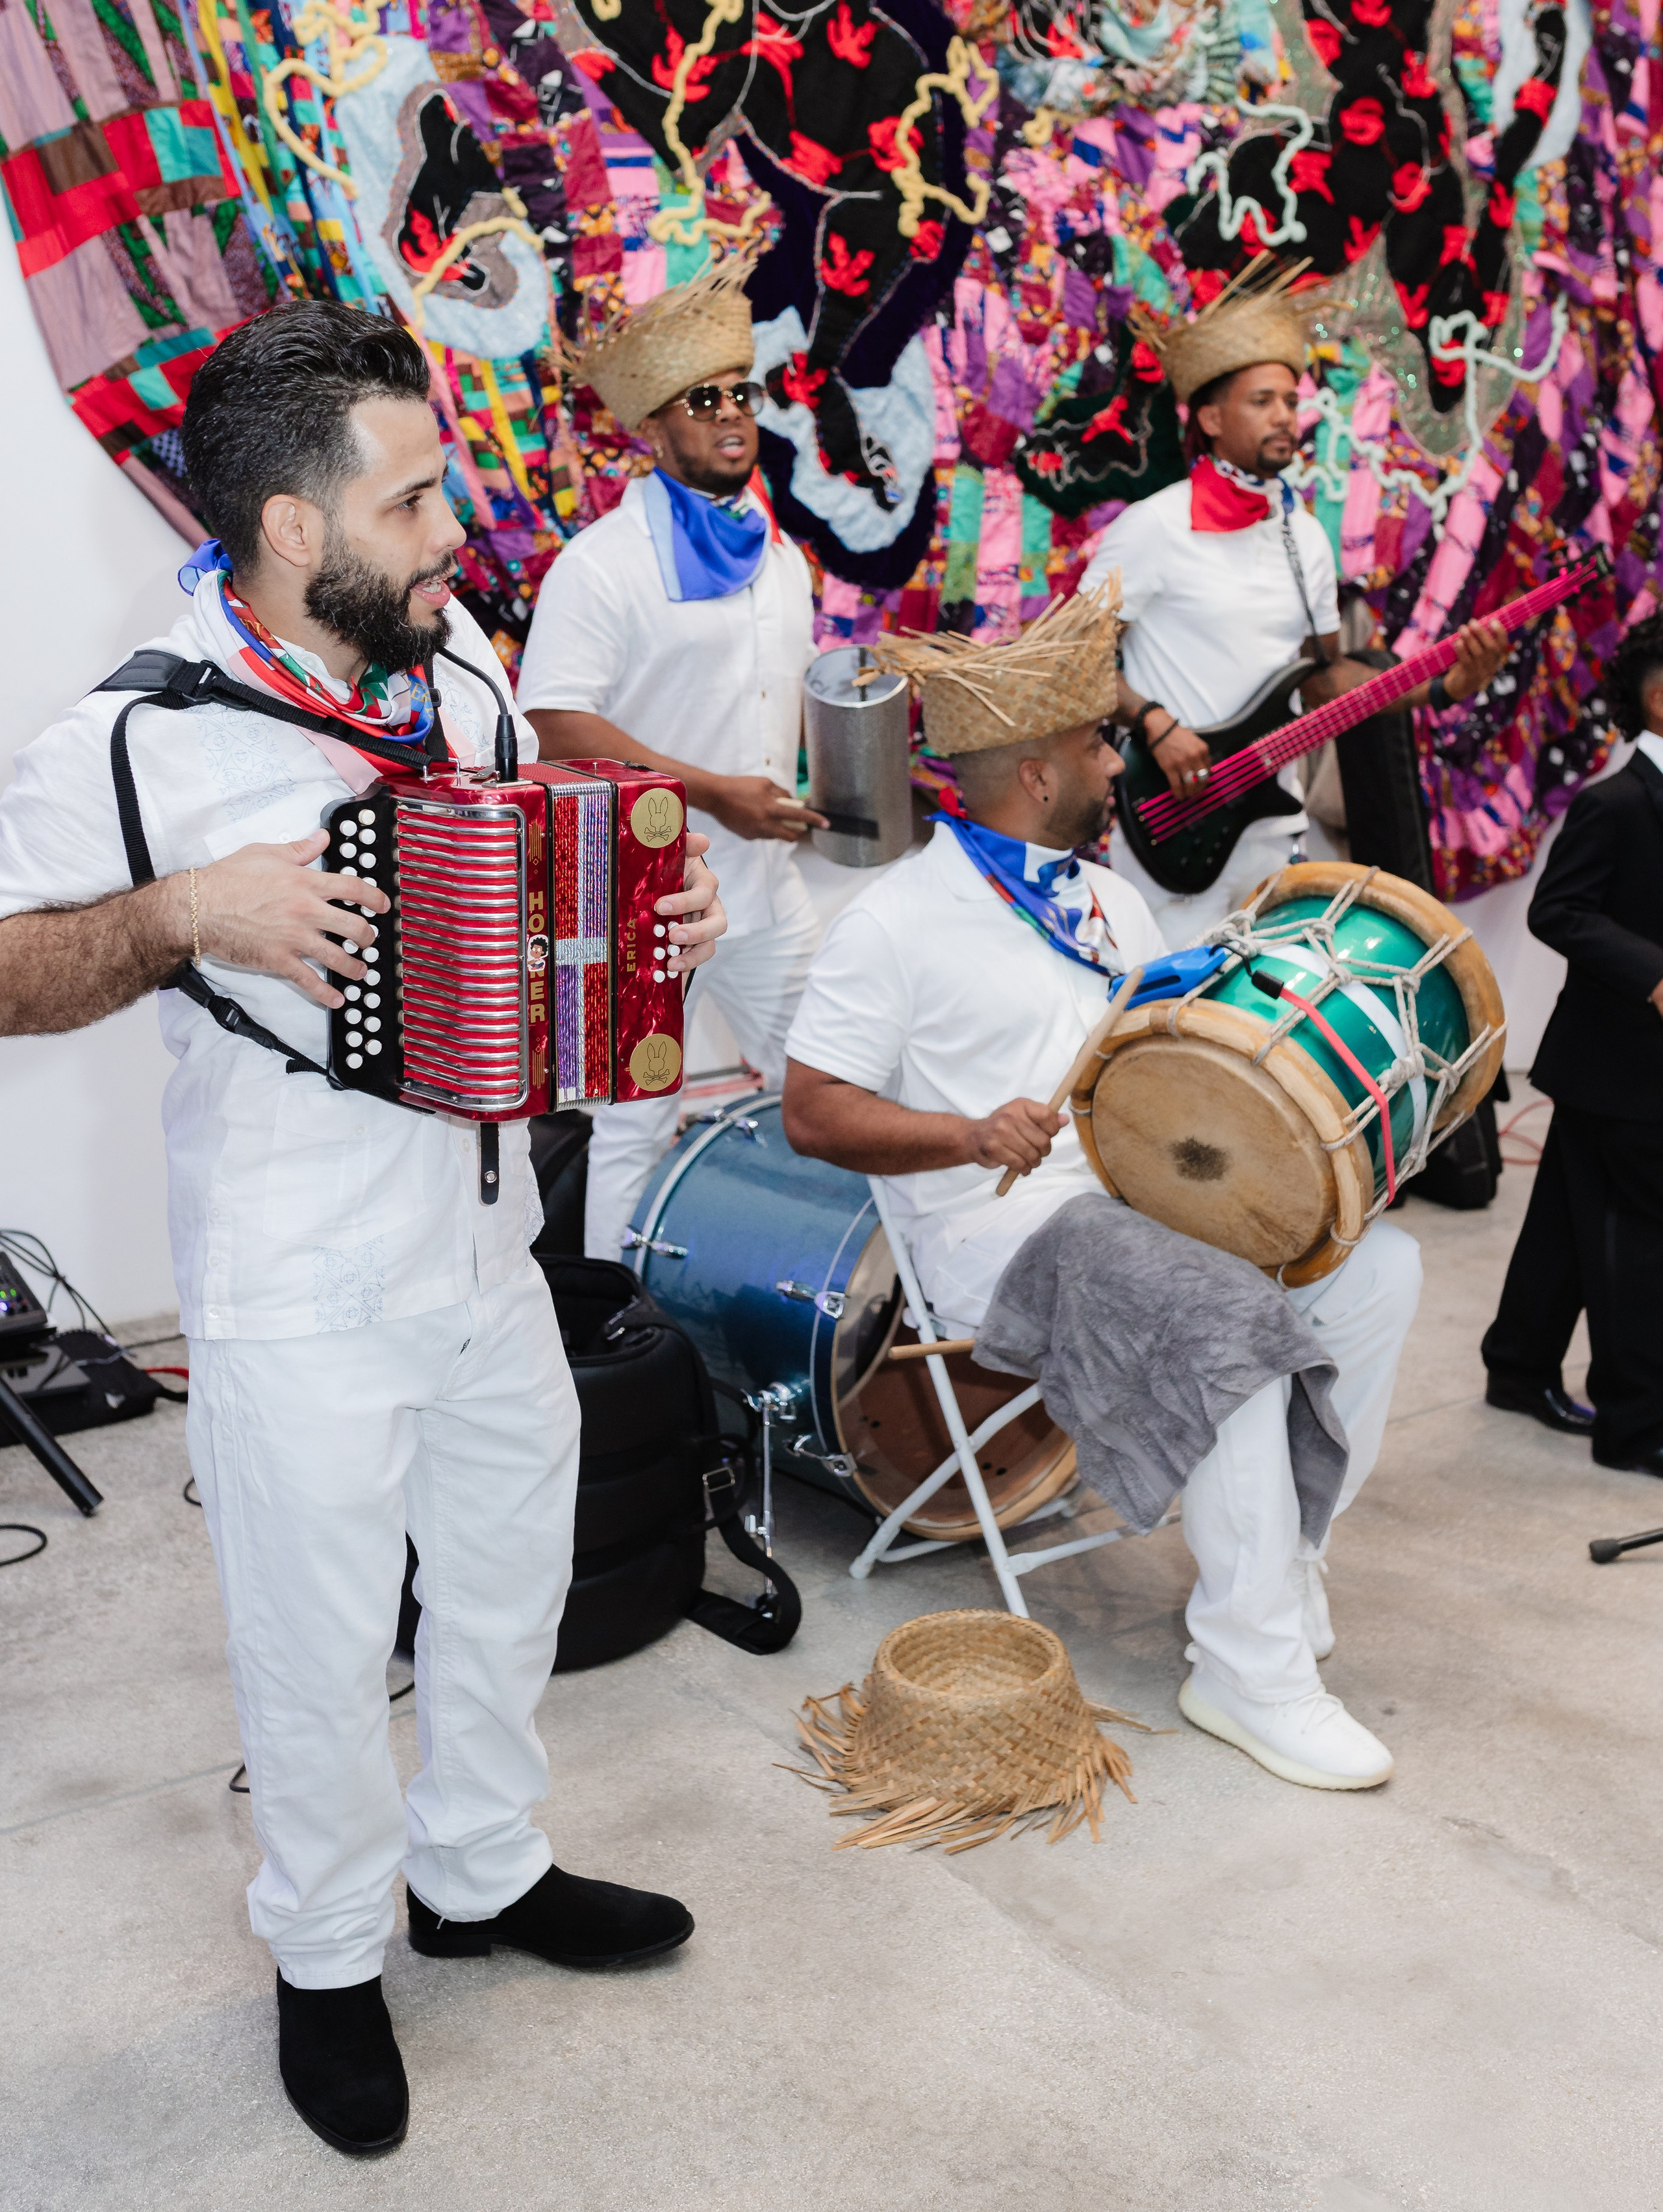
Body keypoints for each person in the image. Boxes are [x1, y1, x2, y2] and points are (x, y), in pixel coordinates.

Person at [0, 303, 727, 2157]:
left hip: (488, 1236)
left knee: (502, 1585)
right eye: (410, 503)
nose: (451, 530)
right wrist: (183, 914)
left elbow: (533, 891)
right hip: (295, 1271)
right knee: (316, 1647)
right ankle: (326, 1958)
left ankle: (479, 1871)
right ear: (291, 527)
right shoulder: (134, 737)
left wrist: (655, 917)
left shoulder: (454, 663)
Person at [781, 585, 1424, 1792]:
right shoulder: (895, 921)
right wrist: (969, 1133)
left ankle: (1288, 1558)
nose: (1119, 763)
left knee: (1380, 1267)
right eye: (1096, 745)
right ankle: (1248, 1672)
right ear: (1035, 775)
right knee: (1222, 1317)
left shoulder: (1112, 898)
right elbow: (811, 1112)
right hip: (1000, 1236)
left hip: (1135, 1202)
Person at [518, 262, 824, 1260]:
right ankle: (616, 1328)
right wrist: (715, 795)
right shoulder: (601, 566)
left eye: (742, 394)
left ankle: (836, 1305)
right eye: (703, 400)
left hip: (767, 887)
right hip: (636, 890)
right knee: (634, 1125)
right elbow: (552, 723)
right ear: (653, 426)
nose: (732, 414)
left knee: (832, 1094)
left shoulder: (779, 558)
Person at [1082, 270, 1508, 948]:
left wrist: (1444, 686)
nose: (1285, 415)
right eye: (1262, 401)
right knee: (1164, 1005)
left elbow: (1322, 681)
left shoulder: (1304, 536)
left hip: (1274, 827)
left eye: (1290, 399)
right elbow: (1074, 664)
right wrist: (1154, 722)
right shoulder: (1152, 528)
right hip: (1172, 823)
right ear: (1210, 419)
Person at [1482, 615, 1663, 1464]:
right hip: (1623, 1062)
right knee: (1638, 1241)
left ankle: (1518, 1366)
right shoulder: (1614, 803)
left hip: (1610, 1071)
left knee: (1563, 1218)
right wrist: (1652, 973)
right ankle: (1638, 1427)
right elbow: (1559, 910)